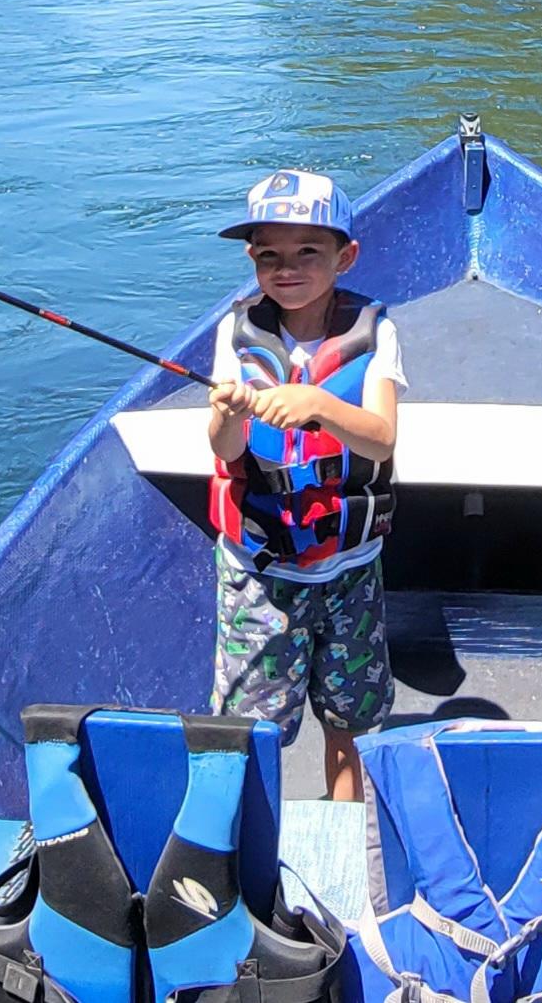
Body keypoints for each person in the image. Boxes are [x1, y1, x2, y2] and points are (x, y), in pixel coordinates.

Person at [204, 168, 404, 800]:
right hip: (260, 574)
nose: (286, 269)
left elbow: (381, 437)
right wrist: (228, 416)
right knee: (249, 730)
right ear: (251, 259)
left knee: (351, 718)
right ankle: (251, 844)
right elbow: (224, 451)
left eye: (307, 253)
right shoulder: (234, 334)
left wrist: (317, 403)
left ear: (345, 256)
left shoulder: (376, 332)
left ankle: (344, 832)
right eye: (269, 256)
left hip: (349, 570)